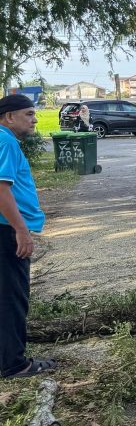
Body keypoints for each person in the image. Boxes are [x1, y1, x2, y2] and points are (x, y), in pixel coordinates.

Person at [0, 95, 55, 378]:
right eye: (29, 114)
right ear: (9, 117)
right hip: (6, 230)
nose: (34, 119)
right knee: (12, 297)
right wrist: (21, 230)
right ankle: (14, 364)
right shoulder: (5, 141)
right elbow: (2, 189)